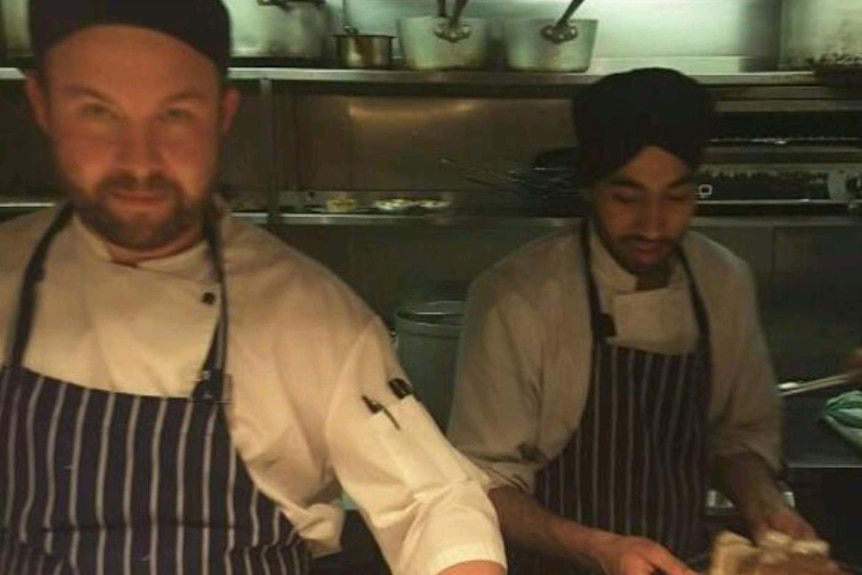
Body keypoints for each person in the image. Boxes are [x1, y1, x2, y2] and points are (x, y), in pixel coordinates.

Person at [0, 1, 507, 574]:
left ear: (223, 112)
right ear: (40, 104)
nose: (138, 160)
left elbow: (435, 503)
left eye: (175, 114)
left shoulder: (315, 317)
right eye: (97, 111)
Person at [447, 68, 815, 575]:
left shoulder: (724, 280)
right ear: (590, 188)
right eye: (627, 197)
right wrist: (599, 549)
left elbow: (738, 437)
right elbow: (481, 484)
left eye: (677, 197)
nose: (653, 224)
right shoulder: (518, 297)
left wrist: (766, 507)